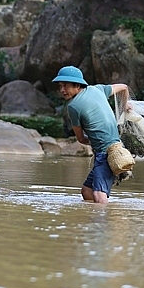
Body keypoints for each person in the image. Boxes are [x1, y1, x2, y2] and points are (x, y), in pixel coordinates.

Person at [52, 66, 129, 204]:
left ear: (77, 85)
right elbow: (123, 87)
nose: (62, 90)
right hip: (117, 148)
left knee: (99, 195)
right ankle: (96, 219)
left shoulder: (73, 106)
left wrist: (94, 140)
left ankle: (103, 224)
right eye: (60, 86)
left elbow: (81, 139)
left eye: (66, 86)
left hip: (105, 154)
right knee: (87, 191)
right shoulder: (97, 89)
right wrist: (124, 106)